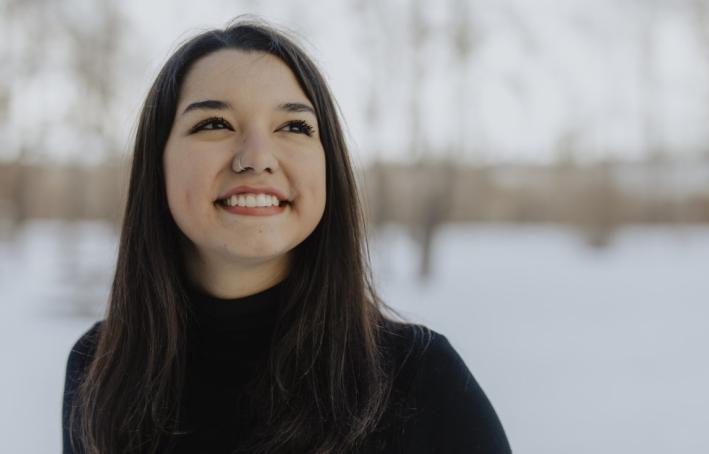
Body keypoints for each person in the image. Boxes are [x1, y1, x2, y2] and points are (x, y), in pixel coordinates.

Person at [62, 20, 512, 454]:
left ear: (328, 165)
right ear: (156, 164)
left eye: (294, 127)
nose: (256, 158)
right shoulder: (101, 367)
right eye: (214, 123)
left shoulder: (420, 377)